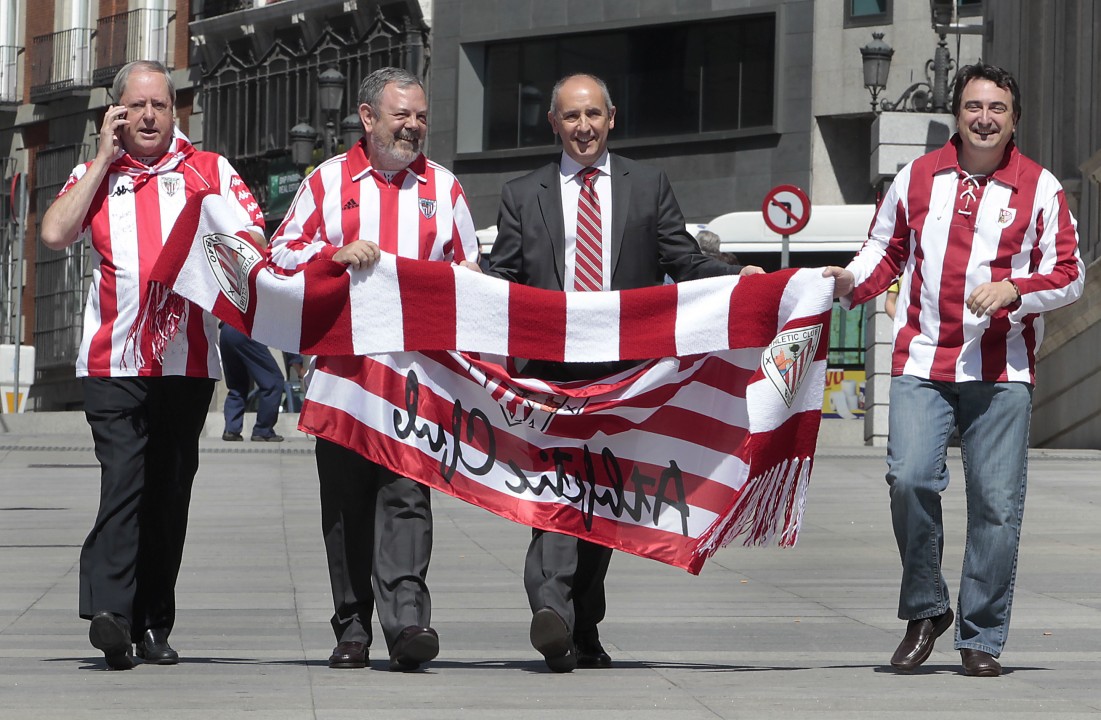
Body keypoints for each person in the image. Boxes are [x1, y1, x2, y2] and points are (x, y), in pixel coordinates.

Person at [484, 72, 763, 672]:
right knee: (557, 487)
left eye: (593, 115)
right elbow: (503, 279)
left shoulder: (648, 185)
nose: (583, 127)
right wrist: (464, 293)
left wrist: (738, 279)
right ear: (553, 124)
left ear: (612, 118)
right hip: (549, 376)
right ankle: (552, 609)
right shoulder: (521, 193)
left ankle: (582, 624)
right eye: (571, 116)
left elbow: (682, 259)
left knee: (603, 495)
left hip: (627, 378)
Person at [823, 63, 1083, 678]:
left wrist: (1015, 289)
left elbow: (1070, 273)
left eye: (997, 109)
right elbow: (884, 251)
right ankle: (927, 608)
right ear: (957, 115)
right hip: (922, 360)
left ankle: (981, 637)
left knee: (996, 506)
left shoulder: (1041, 187)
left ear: (1014, 120)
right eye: (973, 107)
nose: (984, 119)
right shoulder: (916, 177)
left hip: (1002, 371)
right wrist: (845, 281)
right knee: (910, 480)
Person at [39, 60, 265, 670]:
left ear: (174, 111)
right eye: (135, 106)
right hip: (113, 363)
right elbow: (55, 232)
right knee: (123, 482)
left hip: (186, 364)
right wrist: (101, 160)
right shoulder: (94, 174)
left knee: (168, 494)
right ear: (115, 114)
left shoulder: (209, 170)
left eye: (158, 105)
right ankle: (112, 614)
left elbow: (253, 242)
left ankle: (153, 623)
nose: (147, 116)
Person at [268, 67, 480, 672]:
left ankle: (408, 622)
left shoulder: (445, 187)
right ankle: (352, 626)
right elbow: (279, 252)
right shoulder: (326, 180)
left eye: (421, 117)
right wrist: (331, 255)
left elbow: (471, 272)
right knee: (346, 506)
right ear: (367, 117)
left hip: (417, 382)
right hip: (343, 379)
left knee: (408, 497)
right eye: (401, 115)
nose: (413, 126)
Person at [219, 324, 286, 442]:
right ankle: (263, 430)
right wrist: (297, 363)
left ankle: (231, 430)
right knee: (274, 381)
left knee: (237, 385)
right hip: (245, 329)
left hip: (226, 330)